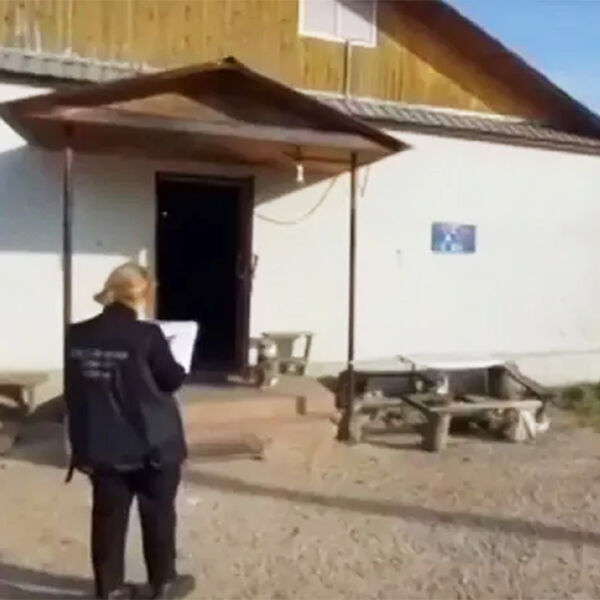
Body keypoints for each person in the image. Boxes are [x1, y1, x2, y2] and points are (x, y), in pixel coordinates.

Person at [65, 262, 195, 599]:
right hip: (153, 444)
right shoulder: (148, 336)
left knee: (107, 518)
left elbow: (74, 391)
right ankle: (163, 582)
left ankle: (110, 588)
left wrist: (79, 444)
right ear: (142, 294)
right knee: (158, 513)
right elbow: (171, 380)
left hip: (101, 444)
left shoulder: (76, 335)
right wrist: (179, 363)